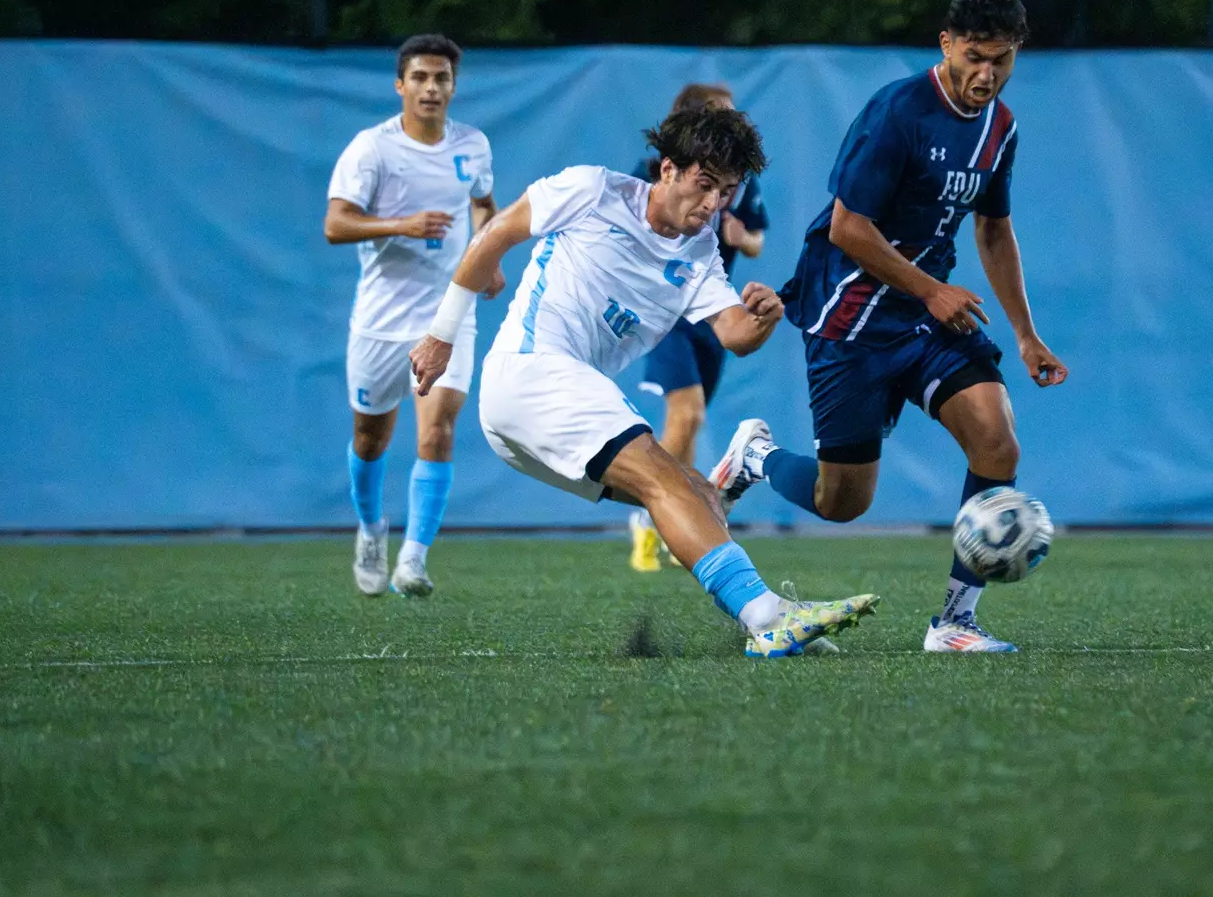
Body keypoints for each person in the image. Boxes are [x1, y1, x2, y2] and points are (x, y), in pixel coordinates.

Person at [407, 106, 878, 657]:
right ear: (669, 169)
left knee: (699, 498)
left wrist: (765, 317)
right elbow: (498, 231)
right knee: (666, 481)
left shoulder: (700, 251)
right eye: (704, 185)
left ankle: (758, 613)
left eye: (726, 192)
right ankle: (768, 615)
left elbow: (734, 334)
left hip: (541, 413)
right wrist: (441, 334)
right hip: (530, 373)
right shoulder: (591, 190)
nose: (712, 205)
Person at [709, 0, 1068, 653]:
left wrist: (1026, 335)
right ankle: (755, 457)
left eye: (1002, 60)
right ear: (946, 44)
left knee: (997, 440)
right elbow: (848, 228)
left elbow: (993, 231)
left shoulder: (1000, 129)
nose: (986, 76)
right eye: (974, 58)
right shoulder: (898, 111)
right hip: (849, 318)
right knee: (842, 502)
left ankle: (954, 623)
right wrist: (931, 289)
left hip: (927, 320)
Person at [324, 34, 496, 598]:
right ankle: (372, 530)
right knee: (371, 439)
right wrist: (401, 224)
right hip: (380, 318)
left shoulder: (473, 146)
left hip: (447, 312)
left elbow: (483, 204)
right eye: (419, 77)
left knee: (439, 429)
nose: (430, 88)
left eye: (441, 78)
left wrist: (487, 255)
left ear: (453, 86)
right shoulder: (371, 149)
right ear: (400, 85)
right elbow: (336, 224)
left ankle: (414, 560)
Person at [626, 83, 770, 573]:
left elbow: (755, 240)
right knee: (685, 416)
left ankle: (668, 515)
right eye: (722, 115)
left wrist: (741, 238)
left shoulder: (741, 181)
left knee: (690, 422)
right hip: (668, 312)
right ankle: (655, 513)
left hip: (713, 308)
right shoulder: (653, 175)